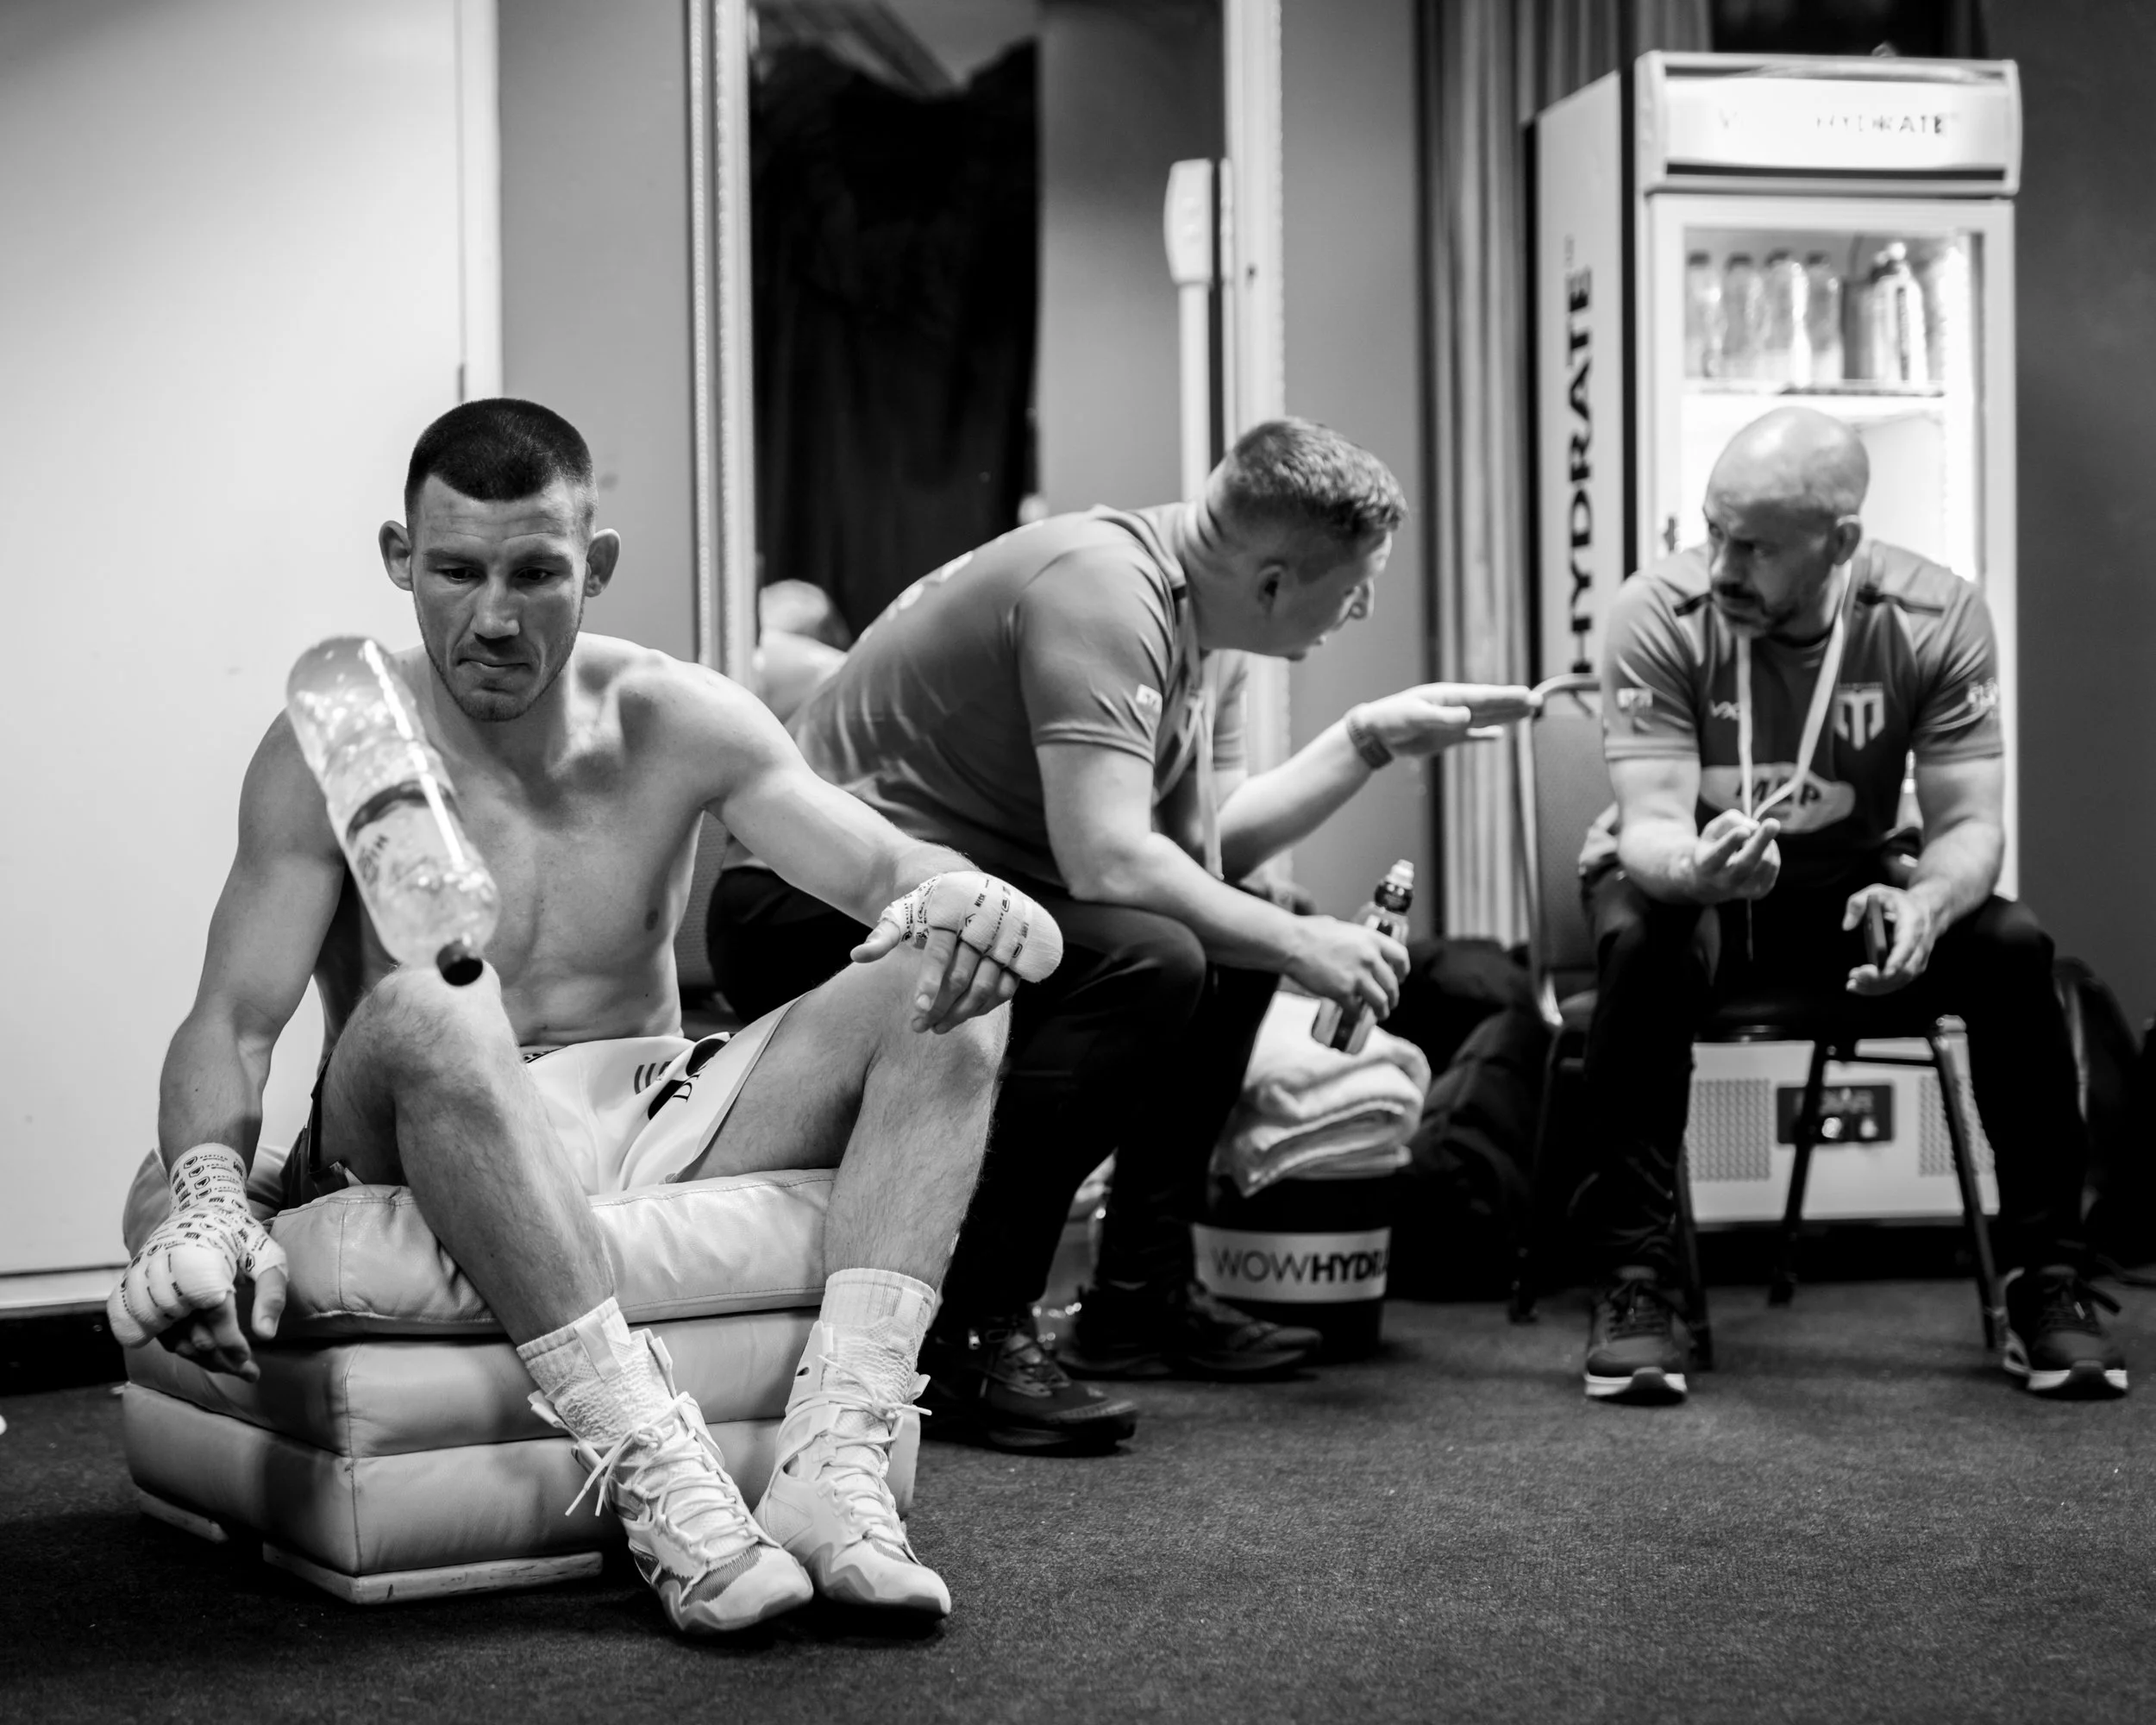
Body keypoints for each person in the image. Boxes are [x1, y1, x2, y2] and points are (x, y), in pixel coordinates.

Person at [106, 399, 1065, 1635]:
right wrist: (207, 1196)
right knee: (438, 999)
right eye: (455, 571)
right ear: (400, 558)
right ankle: (659, 1471)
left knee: (945, 977)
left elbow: (885, 868)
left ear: (595, 565)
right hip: (417, 1110)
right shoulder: (337, 740)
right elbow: (233, 1019)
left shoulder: (677, 716)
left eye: (535, 574)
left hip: (650, 1107)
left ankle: (835, 1474)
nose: (493, 618)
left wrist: (973, 899)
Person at [711, 418, 1534, 1453]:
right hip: (809, 903)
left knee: (1227, 936)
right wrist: (1301, 946)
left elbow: (1196, 857)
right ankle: (964, 1330)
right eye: (1356, 585)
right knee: (1156, 958)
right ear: (1273, 580)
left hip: (970, 897)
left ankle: (1140, 1296)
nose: (1362, 607)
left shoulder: (1208, 630)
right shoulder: (1103, 587)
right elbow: (1107, 861)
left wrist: (1364, 741)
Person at [1576, 405, 2126, 1405]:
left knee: (2011, 942)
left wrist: (1927, 901)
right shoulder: (1657, 610)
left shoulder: (1933, 615)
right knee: (1641, 936)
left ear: (1838, 543)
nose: (1721, 565)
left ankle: (2045, 1276)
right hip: (1696, 886)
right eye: (1713, 531)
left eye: (1753, 546)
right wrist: (1698, 869)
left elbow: (1970, 824)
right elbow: (1648, 821)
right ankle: (1633, 1281)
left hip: (1844, 893)